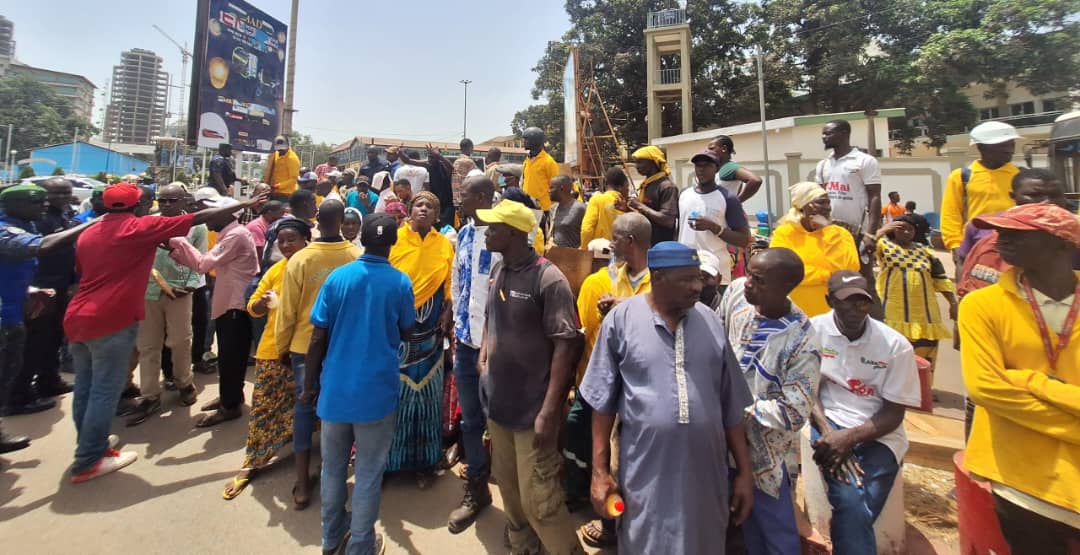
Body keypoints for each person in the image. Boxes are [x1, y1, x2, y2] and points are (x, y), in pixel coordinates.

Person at [63, 183, 263, 483]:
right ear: (139, 206)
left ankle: (91, 445)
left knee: (87, 387)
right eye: (158, 201)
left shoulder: (89, 233)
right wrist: (245, 203)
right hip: (111, 318)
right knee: (104, 389)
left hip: (80, 316)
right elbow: (198, 223)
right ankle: (90, 457)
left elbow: (82, 270)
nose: (162, 206)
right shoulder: (139, 227)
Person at [581, 241, 754, 554]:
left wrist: (744, 472)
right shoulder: (621, 321)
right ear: (658, 278)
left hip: (706, 477)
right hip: (645, 475)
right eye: (686, 279)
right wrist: (600, 472)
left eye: (698, 278)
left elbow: (731, 407)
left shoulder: (711, 322)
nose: (697, 286)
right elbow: (602, 405)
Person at [959, 203, 1080, 553]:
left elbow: (1004, 388)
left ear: (1061, 244)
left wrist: (1030, 382)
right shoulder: (982, 306)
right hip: (1019, 480)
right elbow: (986, 388)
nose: (1001, 241)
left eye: (1018, 234)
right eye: (1001, 232)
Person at [301, 212, 415, 555]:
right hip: (376, 394)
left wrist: (309, 386)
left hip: (335, 390)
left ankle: (331, 537)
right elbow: (408, 330)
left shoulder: (337, 278)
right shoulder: (400, 283)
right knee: (367, 472)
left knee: (333, 469)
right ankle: (361, 544)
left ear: (361, 238)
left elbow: (317, 337)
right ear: (393, 243)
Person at [478, 199, 585, 555]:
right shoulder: (499, 269)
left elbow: (565, 347)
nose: (487, 232)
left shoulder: (548, 279)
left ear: (513, 233)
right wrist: (484, 353)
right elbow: (492, 316)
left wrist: (549, 412)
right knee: (508, 486)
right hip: (499, 404)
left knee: (539, 498)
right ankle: (522, 543)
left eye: (493, 227)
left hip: (532, 410)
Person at [809, 271, 921, 555]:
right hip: (829, 423)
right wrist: (831, 434)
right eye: (846, 302)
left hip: (880, 433)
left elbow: (894, 413)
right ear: (830, 301)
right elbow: (808, 392)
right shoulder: (813, 331)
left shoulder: (895, 345)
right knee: (851, 500)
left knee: (856, 505)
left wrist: (849, 438)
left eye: (862, 302)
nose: (855, 309)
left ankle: (844, 530)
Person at [717, 248, 818, 555]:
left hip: (765, 457)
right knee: (733, 525)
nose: (747, 282)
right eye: (749, 273)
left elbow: (794, 412)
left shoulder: (802, 340)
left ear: (785, 287)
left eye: (758, 280)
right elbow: (718, 344)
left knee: (773, 533)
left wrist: (736, 406)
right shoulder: (738, 300)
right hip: (722, 443)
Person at [568, 212, 652, 549]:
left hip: (641, 388)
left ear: (629, 241)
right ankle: (608, 518)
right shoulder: (604, 281)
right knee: (602, 454)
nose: (611, 243)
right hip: (607, 383)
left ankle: (621, 528)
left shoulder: (658, 282)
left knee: (630, 462)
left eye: (615, 237)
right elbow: (586, 333)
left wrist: (623, 308)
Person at [275, 199, 361, 509]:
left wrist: (282, 347)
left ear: (315, 220)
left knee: (304, 408)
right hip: (344, 347)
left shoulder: (300, 259)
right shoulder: (356, 256)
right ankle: (332, 475)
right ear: (341, 221)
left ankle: (302, 482)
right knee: (338, 411)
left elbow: (287, 310)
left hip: (302, 346)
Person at [222, 218, 310, 500]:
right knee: (264, 407)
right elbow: (253, 306)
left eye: (291, 240)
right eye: (281, 241)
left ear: (306, 240)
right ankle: (253, 461)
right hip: (273, 349)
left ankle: (306, 453)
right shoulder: (275, 270)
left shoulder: (314, 268)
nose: (285, 245)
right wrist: (261, 303)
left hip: (306, 349)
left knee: (309, 406)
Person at [1, 184, 95, 418]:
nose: (43, 205)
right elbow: (41, 246)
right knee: (15, 360)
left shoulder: (31, 222)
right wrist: (91, 225)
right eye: (36, 201)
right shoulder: (6, 229)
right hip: (9, 311)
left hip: (32, 297)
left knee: (44, 343)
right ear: (12, 205)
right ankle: (17, 400)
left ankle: (42, 385)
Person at [168, 196, 260, 428]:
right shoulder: (231, 233)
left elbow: (203, 264)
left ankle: (230, 406)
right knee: (230, 356)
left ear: (227, 214)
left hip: (234, 306)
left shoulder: (235, 235)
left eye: (210, 213)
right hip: (229, 303)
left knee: (230, 357)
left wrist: (178, 241)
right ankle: (231, 396)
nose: (206, 219)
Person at [125, 183, 209, 425]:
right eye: (162, 200)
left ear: (183, 201)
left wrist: (190, 285)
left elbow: (200, 259)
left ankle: (184, 383)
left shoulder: (196, 226)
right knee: (148, 345)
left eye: (172, 200)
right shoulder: (147, 223)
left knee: (180, 341)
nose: (167, 205)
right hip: (148, 291)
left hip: (179, 292)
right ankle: (150, 395)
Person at [387, 191, 454, 483]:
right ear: (410, 211)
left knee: (428, 399)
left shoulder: (444, 243)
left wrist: (447, 311)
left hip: (431, 329)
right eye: (419, 204)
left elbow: (450, 282)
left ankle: (425, 462)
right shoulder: (395, 240)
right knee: (394, 397)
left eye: (430, 206)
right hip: (397, 328)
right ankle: (389, 462)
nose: (424, 209)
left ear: (437, 216)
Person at [446, 176, 499, 533]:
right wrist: (454, 320)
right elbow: (457, 279)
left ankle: (513, 494)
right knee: (470, 420)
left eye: (463, 194)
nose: (458, 199)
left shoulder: (503, 235)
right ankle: (477, 489)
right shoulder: (463, 234)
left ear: (481, 197)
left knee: (501, 420)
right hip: (465, 343)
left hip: (495, 347)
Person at [874, 215, 957, 383]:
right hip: (894, 314)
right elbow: (864, 247)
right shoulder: (883, 246)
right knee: (893, 354)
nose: (906, 232)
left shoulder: (925, 251)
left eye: (910, 229)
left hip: (926, 315)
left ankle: (923, 388)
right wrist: (881, 231)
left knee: (925, 354)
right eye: (901, 228)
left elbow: (940, 279)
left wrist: (953, 303)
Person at [21, 178, 78, 403]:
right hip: (42, 287)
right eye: (57, 193)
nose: (62, 197)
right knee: (36, 339)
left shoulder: (63, 214)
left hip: (61, 285)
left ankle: (49, 380)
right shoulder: (40, 218)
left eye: (66, 192)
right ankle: (22, 392)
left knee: (54, 336)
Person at [769, 182, 860, 316]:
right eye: (821, 202)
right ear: (803, 206)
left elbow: (848, 271)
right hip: (794, 314)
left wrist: (828, 230)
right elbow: (783, 271)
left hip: (832, 315)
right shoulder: (784, 233)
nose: (827, 208)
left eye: (828, 202)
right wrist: (828, 276)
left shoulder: (839, 234)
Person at [940, 121, 1021, 258]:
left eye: (1012, 144)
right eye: (1003, 145)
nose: (1010, 150)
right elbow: (951, 214)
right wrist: (955, 246)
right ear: (981, 147)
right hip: (975, 246)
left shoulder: (1020, 176)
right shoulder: (961, 176)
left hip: (1014, 245)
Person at [678, 149, 752, 283]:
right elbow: (679, 231)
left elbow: (743, 240)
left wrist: (713, 227)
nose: (701, 169)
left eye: (707, 165)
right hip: (686, 268)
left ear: (716, 168)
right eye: (698, 165)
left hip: (715, 273)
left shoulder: (728, 198)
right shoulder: (684, 194)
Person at [816, 119, 883, 255]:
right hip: (829, 230)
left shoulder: (865, 161)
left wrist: (870, 234)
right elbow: (819, 197)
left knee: (859, 267)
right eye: (823, 134)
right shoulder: (823, 165)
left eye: (828, 133)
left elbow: (874, 197)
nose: (824, 137)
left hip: (858, 232)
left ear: (844, 133)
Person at [629, 145, 679, 245]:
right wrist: (627, 209)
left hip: (661, 246)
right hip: (646, 244)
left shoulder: (667, 187)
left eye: (640, 162)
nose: (637, 166)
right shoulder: (647, 185)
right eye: (636, 163)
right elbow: (646, 215)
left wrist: (640, 205)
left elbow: (667, 220)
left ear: (654, 162)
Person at [262, 190, 317, 270]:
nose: (316, 208)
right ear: (305, 205)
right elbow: (274, 258)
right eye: (314, 203)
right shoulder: (285, 225)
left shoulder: (303, 223)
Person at [580, 166, 630, 248]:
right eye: (627, 188)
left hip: (600, 251)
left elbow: (586, 229)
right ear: (621, 187)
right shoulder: (628, 207)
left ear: (606, 184)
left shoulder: (597, 200)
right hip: (621, 251)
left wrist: (584, 248)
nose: (628, 192)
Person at [708, 135, 763, 202]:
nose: (708, 152)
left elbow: (755, 180)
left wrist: (737, 202)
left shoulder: (728, 167)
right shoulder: (720, 168)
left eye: (711, 149)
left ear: (724, 149)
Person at [521, 127, 560, 211]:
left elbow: (557, 187)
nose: (523, 141)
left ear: (535, 141)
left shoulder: (548, 162)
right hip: (527, 207)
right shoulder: (526, 161)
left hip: (544, 209)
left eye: (526, 139)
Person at [543, 174, 587, 249]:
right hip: (554, 254)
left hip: (574, 254)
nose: (549, 191)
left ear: (561, 188)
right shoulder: (553, 209)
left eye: (551, 188)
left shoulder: (580, 209)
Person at [263, 135, 301, 201]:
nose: (280, 150)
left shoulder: (292, 158)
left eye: (282, 148)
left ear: (287, 145)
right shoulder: (276, 154)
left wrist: (278, 186)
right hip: (273, 192)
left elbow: (294, 179)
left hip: (285, 195)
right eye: (278, 148)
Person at [452, 138, 479, 210]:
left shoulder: (456, 161)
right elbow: (479, 177)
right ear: (469, 147)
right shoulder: (469, 161)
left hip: (456, 199)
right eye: (472, 148)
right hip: (465, 199)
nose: (472, 150)